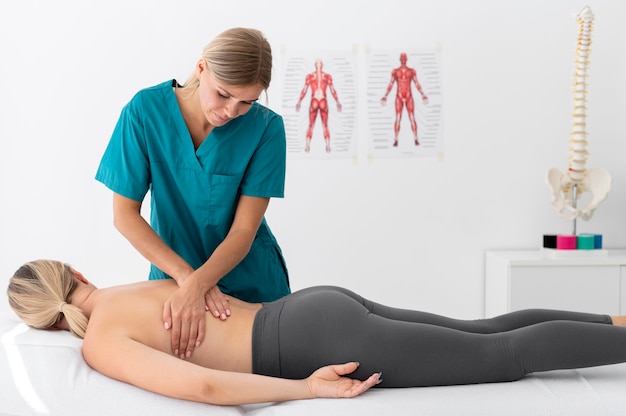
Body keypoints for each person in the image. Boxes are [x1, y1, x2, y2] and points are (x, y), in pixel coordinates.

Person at [8, 259, 626, 406]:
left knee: (503, 357)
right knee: (485, 332)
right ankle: (613, 322)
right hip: (311, 307)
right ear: (75, 272)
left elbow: (202, 387)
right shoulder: (128, 286)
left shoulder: (99, 339)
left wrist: (305, 387)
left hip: (314, 342)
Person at [94, 28, 291, 358]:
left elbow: (244, 231)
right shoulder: (144, 113)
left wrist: (199, 284)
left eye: (247, 102)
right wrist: (188, 280)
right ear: (202, 68)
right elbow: (124, 215)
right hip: (172, 280)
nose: (231, 111)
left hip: (251, 281)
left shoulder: (266, 129)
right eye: (224, 94)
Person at [381, 52, 428, 147]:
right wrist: (385, 95)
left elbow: (416, 83)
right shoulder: (395, 71)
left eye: (404, 58)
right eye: (402, 57)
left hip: (408, 96)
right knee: (398, 118)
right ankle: (396, 139)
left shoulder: (412, 71)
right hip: (399, 96)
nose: (403, 59)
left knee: (411, 117)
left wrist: (423, 94)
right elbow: (391, 84)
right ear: (400, 59)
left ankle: (416, 138)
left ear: (406, 59)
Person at [295, 59, 342, 153]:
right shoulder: (326, 77)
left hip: (315, 101)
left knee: (311, 125)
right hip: (323, 100)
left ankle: (307, 146)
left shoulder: (311, 77)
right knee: (325, 125)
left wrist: (299, 101)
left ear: (315, 65)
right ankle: (327, 146)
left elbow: (304, 90)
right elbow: (332, 90)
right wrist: (337, 101)